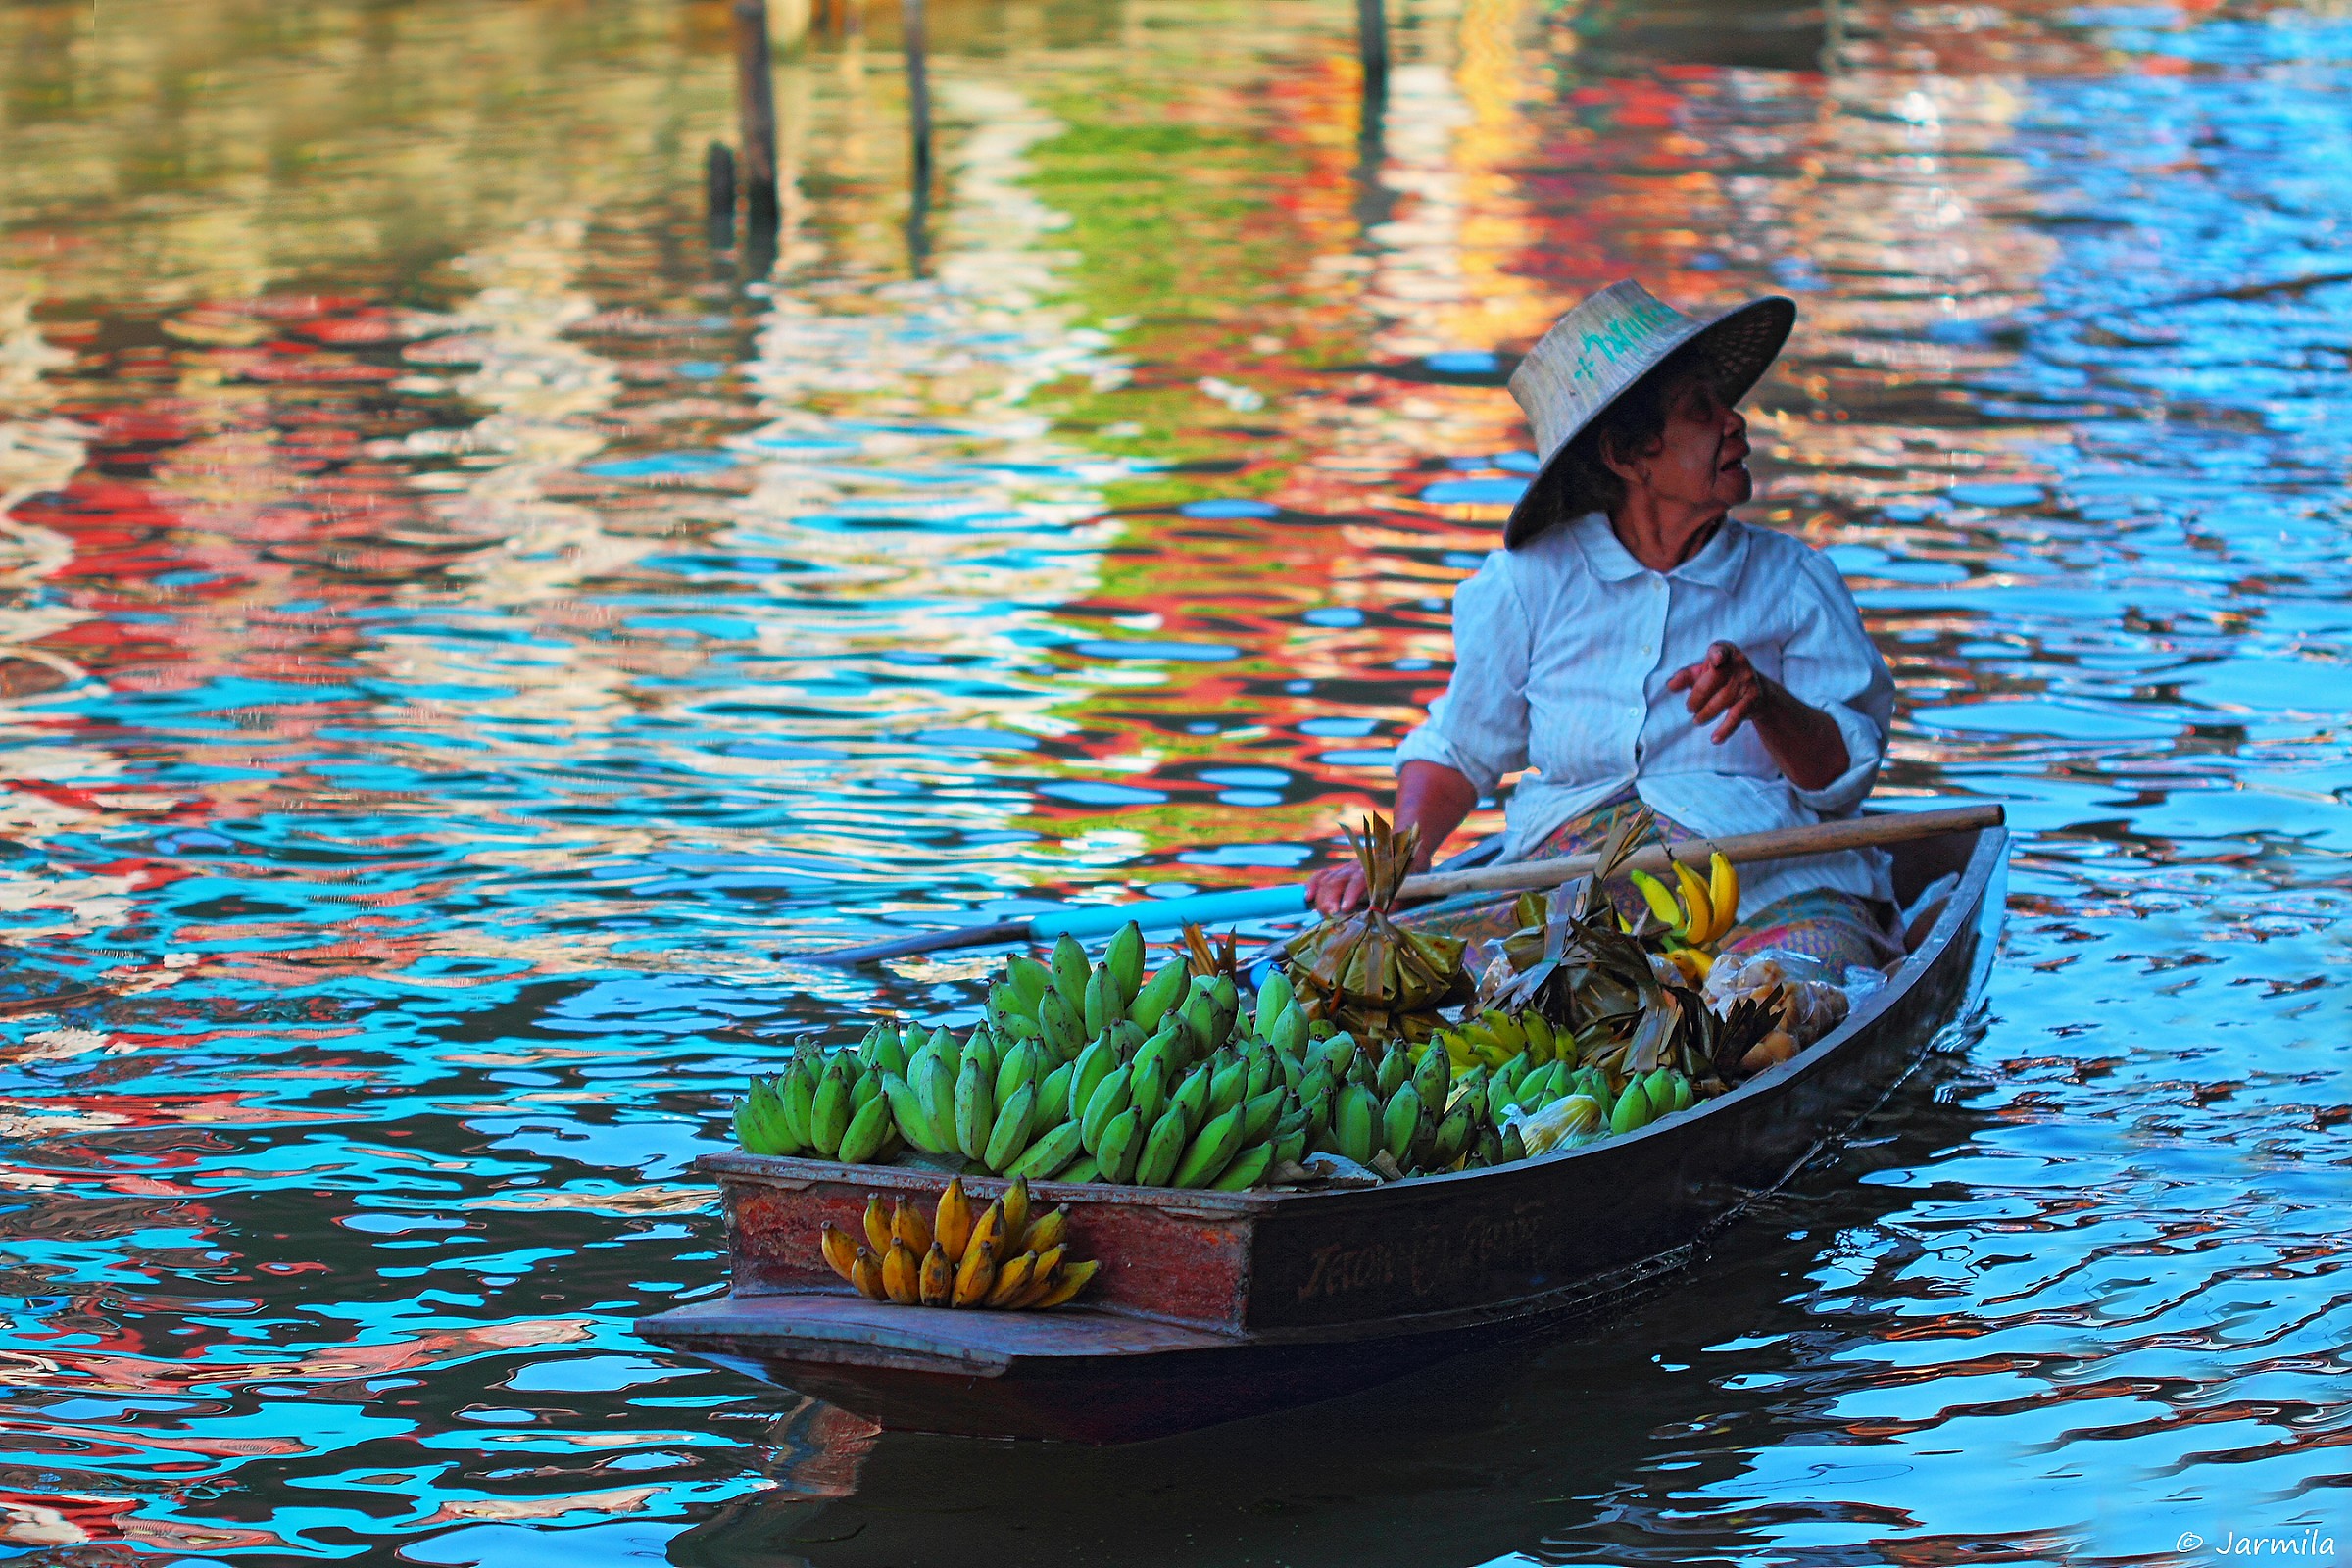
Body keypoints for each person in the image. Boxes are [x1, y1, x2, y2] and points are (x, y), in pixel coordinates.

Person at [1305, 280, 1902, 969]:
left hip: (1763, 884)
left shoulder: (1793, 582)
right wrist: (1395, 863)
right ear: (1626, 456)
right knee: (1368, 969)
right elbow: (1460, 749)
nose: (1735, 424)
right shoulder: (1528, 581)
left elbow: (1840, 781)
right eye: (1700, 411)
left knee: (1793, 988)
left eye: (1726, 405)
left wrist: (1764, 703)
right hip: (1568, 886)